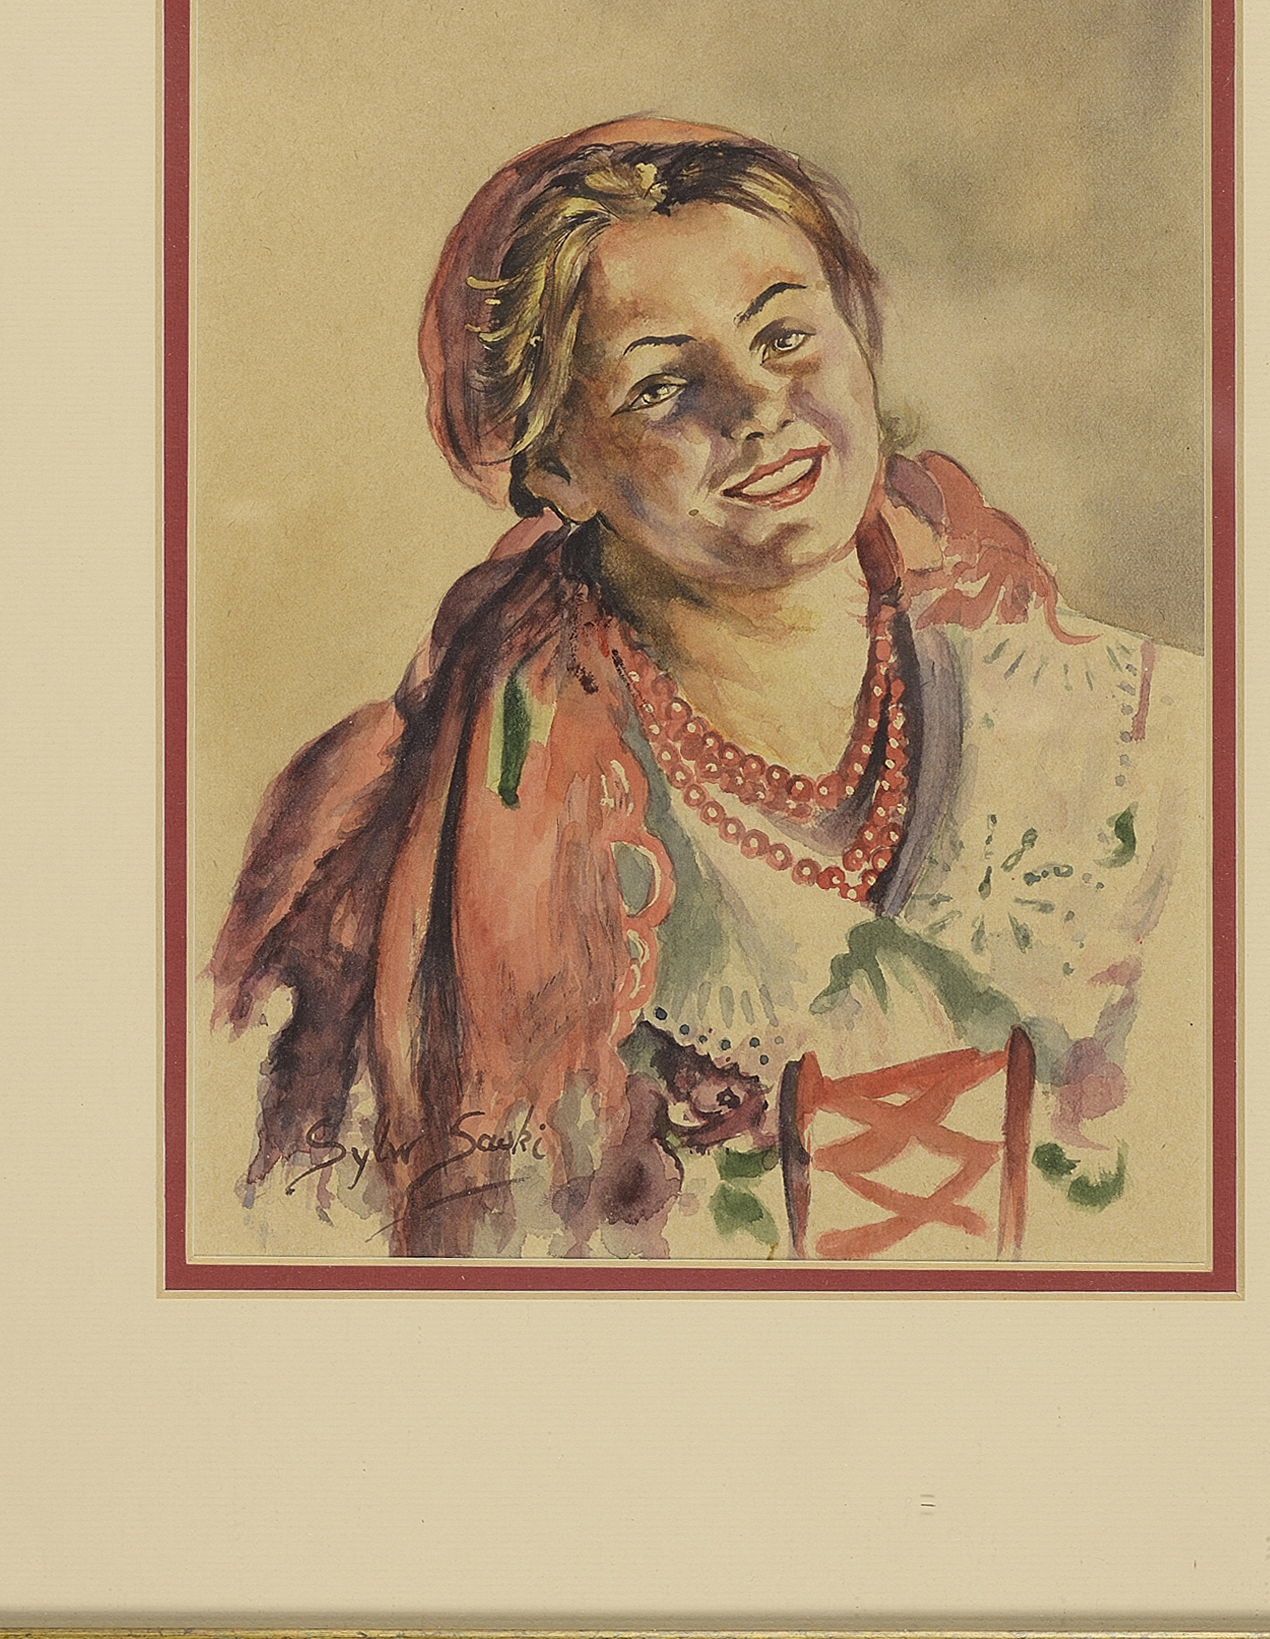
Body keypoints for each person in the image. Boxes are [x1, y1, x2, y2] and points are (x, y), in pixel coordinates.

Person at [211, 117, 1202, 1262]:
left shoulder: (1141, 729)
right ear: (555, 466)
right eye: (662, 385)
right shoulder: (414, 826)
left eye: (785, 335)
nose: (757, 404)